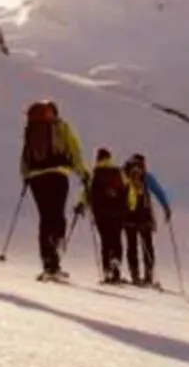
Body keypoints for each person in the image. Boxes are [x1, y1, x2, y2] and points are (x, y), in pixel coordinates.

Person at [19, 99, 88, 279]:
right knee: (57, 214)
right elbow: (74, 150)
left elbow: (25, 154)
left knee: (45, 217)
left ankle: (48, 261)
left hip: (35, 177)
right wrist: (82, 172)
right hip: (57, 174)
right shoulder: (61, 127)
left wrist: (26, 175)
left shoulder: (31, 129)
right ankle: (55, 252)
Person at [123, 151, 172, 287]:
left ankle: (135, 276)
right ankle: (148, 276)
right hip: (144, 217)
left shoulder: (124, 174)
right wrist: (166, 207)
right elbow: (158, 191)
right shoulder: (146, 177)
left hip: (128, 218)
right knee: (148, 247)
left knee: (132, 247)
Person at [89, 146, 129, 283]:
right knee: (116, 239)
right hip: (118, 213)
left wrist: (81, 205)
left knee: (105, 242)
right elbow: (128, 192)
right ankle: (116, 264)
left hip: (101, 214)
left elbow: (88, 193)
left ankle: (107, 271)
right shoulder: (119, 172)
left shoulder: (96, 173)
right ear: (110, 158)